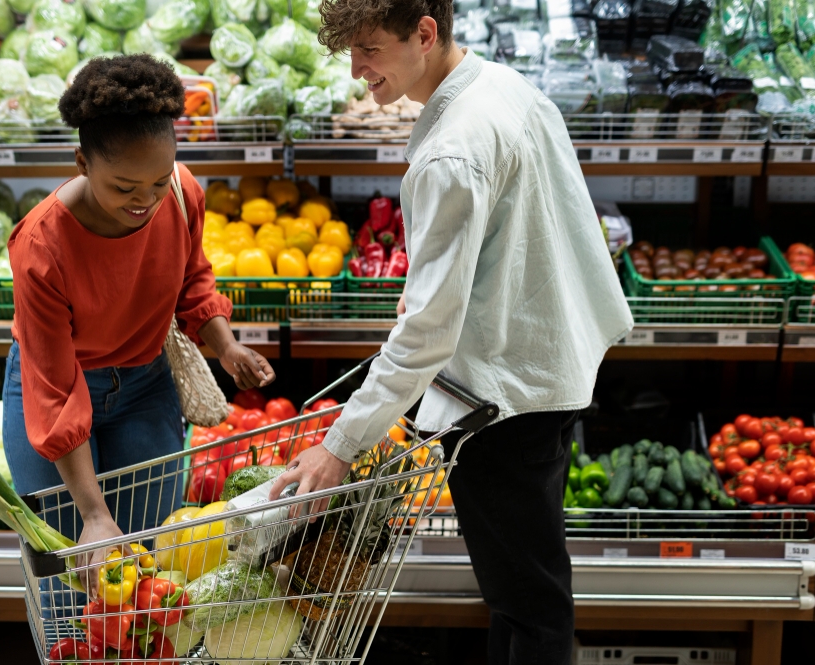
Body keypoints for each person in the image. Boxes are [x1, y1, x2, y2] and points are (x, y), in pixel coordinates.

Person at [269, 1, 633, 663]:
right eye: (350, 52)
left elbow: (428, 332)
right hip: (551, 365)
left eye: (370, 49)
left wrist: (341, 443)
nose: (356, 70)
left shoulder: (451, 152)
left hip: (505, 399)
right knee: (526, 589)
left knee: (530, 605)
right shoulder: (505, 86)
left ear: (425, 34)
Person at [4, 54, 275, 588]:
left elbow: (192, 277)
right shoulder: (40, 246)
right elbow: (55, 386)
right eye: (125, 187)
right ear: (83, 163)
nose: (146, 201)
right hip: (54, 391)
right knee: (70, 580)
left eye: (158, 180)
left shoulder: (181, 192)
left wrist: (226, 346)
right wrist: (94, 513)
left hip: (147, 388)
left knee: (151, 572)